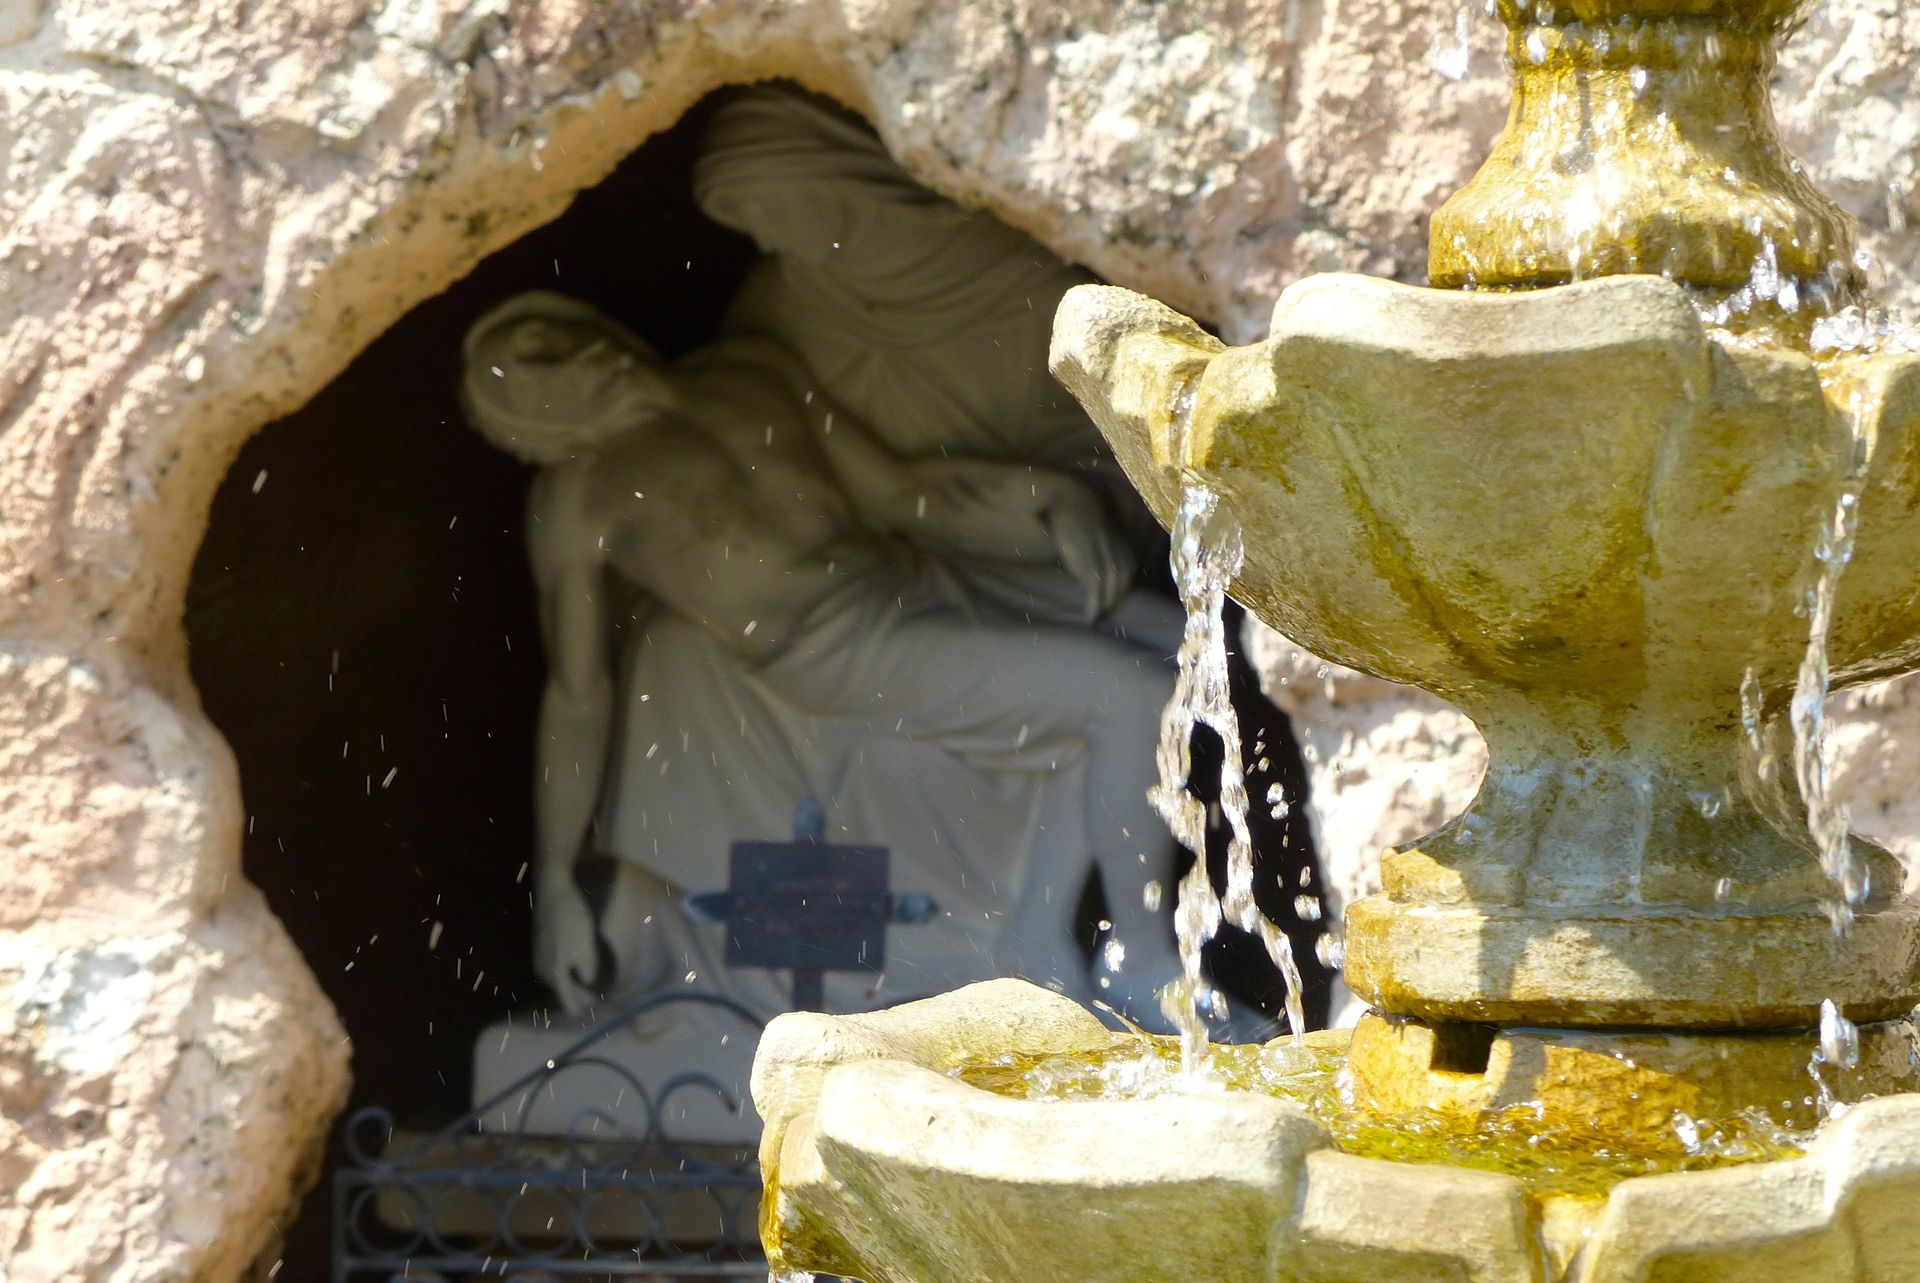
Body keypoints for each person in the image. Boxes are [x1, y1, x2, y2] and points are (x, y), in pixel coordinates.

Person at [460, 290, 1182, 1028]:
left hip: (920, 581)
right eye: (533, 376)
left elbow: (902, 491)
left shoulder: (748, 372)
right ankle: (1141, 957)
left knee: (1181, 640)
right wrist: (551, 876)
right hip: (842, 649)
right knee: (1135, 697)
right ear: (532, 425)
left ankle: (1034, 935)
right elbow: (577, 694)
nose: (570, 362)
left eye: (553, 338)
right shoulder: (577, 499)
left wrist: (1050, 498)